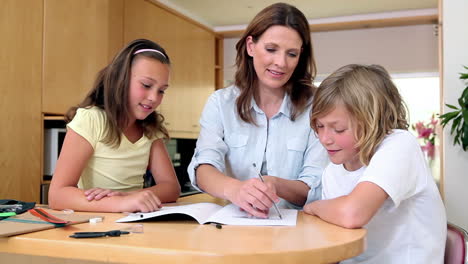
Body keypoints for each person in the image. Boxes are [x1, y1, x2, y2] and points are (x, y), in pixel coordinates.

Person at [188, 3, 328, 218]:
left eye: (291, 54)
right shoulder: (220, 103)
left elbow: (315, 186)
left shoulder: (317, 106)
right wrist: (235, 189)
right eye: (271, 49)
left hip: (299, 230)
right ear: (251, 46)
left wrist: (274, 184)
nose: (280, 63)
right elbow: (203, 167)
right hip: (234, 226)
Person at [304, 64, 446, 263]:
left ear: (371, 123)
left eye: (338, 129)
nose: (325, 139)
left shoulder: (400, 144)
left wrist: (313, 208)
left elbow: (352, 214)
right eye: (319, 126)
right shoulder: (332, 171)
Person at [48, 39, 180, 213]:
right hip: (96, 224)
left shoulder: (150, 129)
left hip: (133, 222)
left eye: (161, 90)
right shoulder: (91, 119)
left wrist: (129, 196)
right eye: (146, 85)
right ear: (121, 79)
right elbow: (57, 195)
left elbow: (171, 187)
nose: (154, 97)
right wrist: (120, 203)